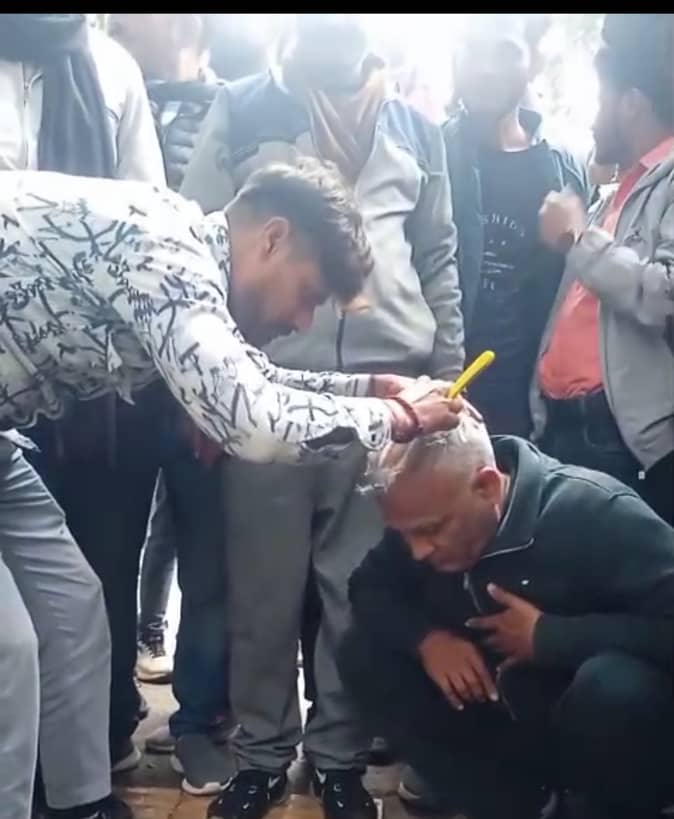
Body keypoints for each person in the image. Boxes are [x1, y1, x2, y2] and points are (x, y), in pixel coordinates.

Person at [0, 161, 463, 819]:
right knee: (9, 649)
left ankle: (80, 806)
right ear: (272, 238)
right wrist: (396, 417)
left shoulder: (185, 255)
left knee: (72, 610)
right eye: (307, 294)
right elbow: (251, 422)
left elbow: (253, 378)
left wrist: (366, 388)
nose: (302, 320)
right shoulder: (166, 255)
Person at [182, 14, 464, 819]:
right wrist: (203, 388)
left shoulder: (414, 125)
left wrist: (444, 379)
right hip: (266, 388)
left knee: (356, 589)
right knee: (263, 591)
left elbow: (439, 255)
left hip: (390, 397)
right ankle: (262, 756)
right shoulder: (245, 107)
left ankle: (339, 757)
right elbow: (200, 243)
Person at [340, 419, 674, 819]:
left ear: (487, 486)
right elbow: (367, 586)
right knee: (363, 652)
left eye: (431, 531)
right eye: (405, 534)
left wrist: (551, 638)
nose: (418, 551)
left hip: (603, 729)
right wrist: (427, 640)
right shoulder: (426, 510)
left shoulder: (594, 511)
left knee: (614, 688)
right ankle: (507, 804)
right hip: (509, 722)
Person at [0, 12, 168, 782]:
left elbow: (147, 221)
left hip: (97, 396)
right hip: (6, 386)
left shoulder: (110, 70)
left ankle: (86, 767)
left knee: (90, 584)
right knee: (13, 638)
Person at [536, 13, 674, 525]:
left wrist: (578, 239)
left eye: (601, 100)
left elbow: (665, 294)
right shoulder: (615, 191)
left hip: (619, 442)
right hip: (563, 430)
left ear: (631, 103)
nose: (594, 120)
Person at [442, 14, 589, 438]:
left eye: (505, 51)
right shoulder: (428, 156)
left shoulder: (563, 169)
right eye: (474, 49)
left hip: (535, 413)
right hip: (441, 398)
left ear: (534, 61)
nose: (486, 67)